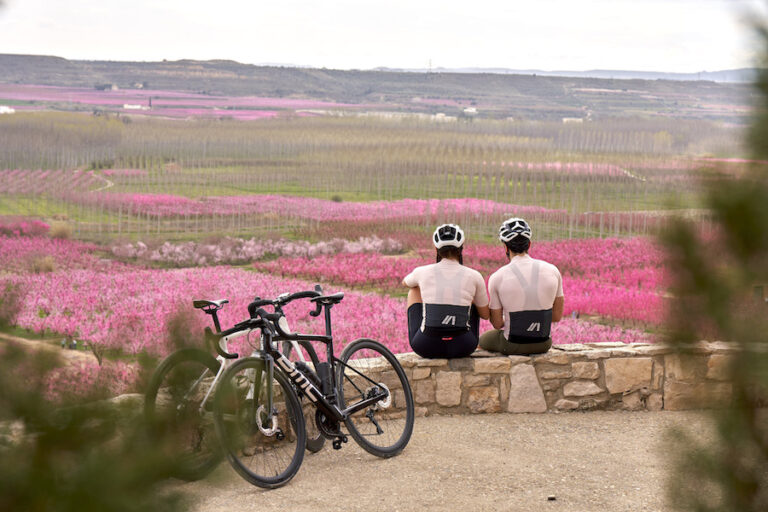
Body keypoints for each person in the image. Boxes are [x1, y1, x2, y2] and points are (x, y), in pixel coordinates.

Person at [403, 224, 490, 359]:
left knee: (414, 290)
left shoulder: (422, 271)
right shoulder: (474, 275)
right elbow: (485, 315)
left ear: (436, 249)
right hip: (464, 346)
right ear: (461, 249)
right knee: (472, 297)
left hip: (426, 346)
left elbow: (405, 282)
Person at [480, 217, 564, 355]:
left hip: (513, 344)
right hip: (543, 343)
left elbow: (496, 324)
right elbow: (556, 317)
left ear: (506, 247)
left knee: (483, 340)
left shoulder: (497, 277)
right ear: (529, 244)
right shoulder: (553, 271)